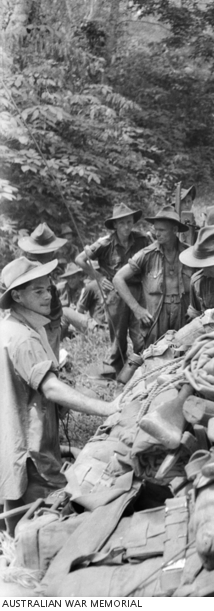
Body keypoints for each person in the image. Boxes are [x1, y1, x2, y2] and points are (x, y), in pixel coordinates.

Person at [0, 257, 117, 535]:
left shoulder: (12, 327)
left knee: (17, 513)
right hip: (32, 450)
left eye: (48, 288)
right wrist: (108, 408)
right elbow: (50, 388)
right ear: (17, 295)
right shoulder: (23, 338)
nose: (47, 295)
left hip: (15, 441)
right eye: (37, 291)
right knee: (48, 521)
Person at [76, 203, 150, 378]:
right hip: (115, 295)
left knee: (141, 335)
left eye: (129, 222)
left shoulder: (142, 239)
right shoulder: (105, 243)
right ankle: (115, 375)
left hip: (138, 291)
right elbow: (80, 259)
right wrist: (99, 277)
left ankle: (142, 371)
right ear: (115, 225)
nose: (126, 226)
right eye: (122, 223)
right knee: (118, 337)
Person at [113, 205, 193, 348]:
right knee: (154, 356)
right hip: (156, 317)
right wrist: (137, 309)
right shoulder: (147, 255)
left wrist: (197, 309)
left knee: (183, 354)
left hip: (183, 313)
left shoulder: (189, 254)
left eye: (162, 230)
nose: (157, 233)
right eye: (155, 229)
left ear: (174, 230)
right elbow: (118, 279)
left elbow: (202, 280)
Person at [17, 223, 68, 359]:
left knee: (51, 358)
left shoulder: (45, 266)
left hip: (51, 318)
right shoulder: (26, 269)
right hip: (35, 319)